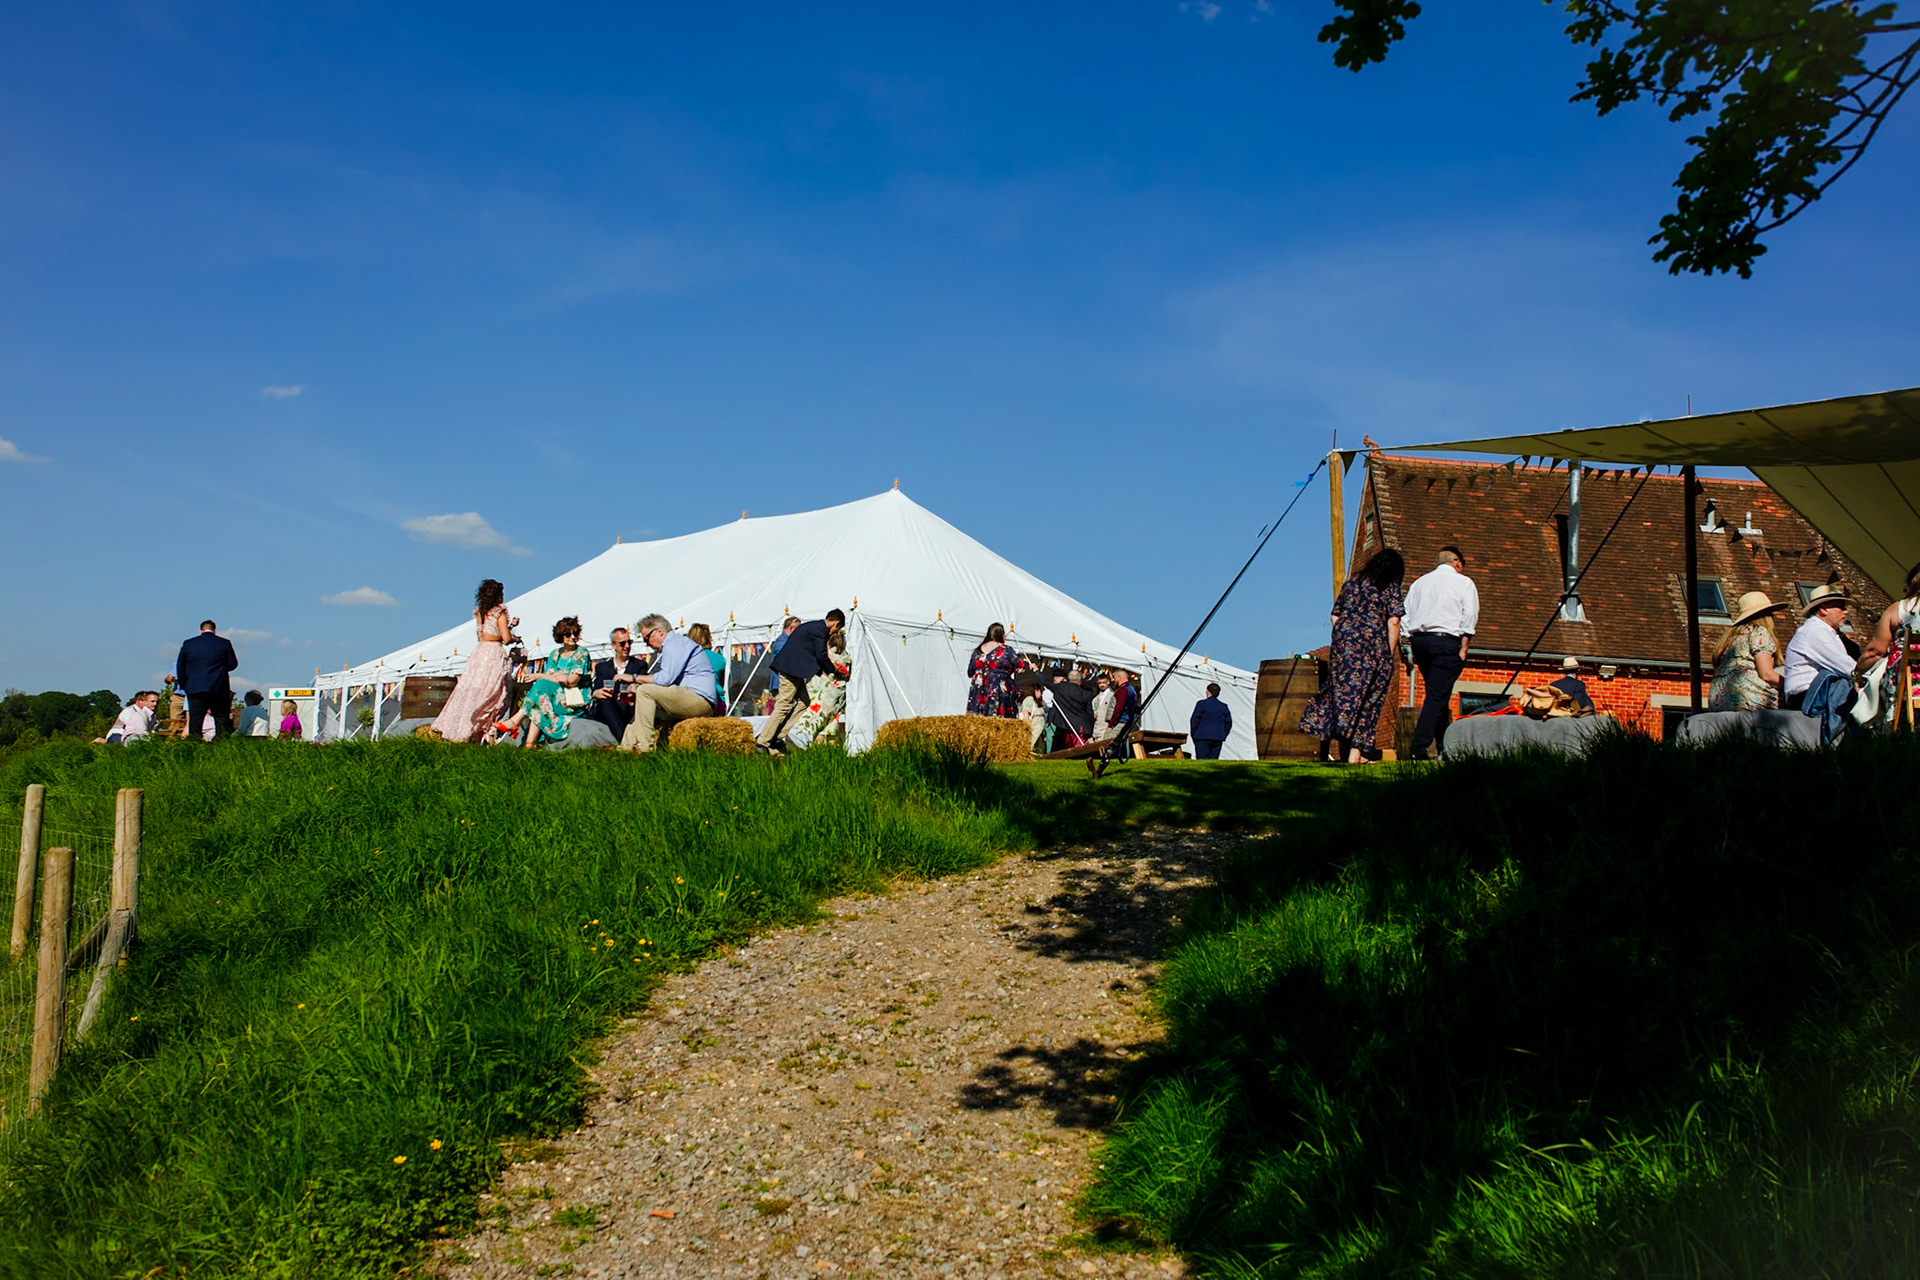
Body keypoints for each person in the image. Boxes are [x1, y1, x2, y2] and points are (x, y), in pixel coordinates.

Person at [1299, 549, 1406, 764]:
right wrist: (1389, 652)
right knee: (1369, 699)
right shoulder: (1390, 588)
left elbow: (1334, 616)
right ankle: (1356, 754)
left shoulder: (1352, 585)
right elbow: (1394, 621)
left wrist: (1347, 637)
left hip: (1343, 646)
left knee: (1342, 695)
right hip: (1373, 647)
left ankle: (1340, 743)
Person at [1401, 547, 1477, 760]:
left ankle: (1445, 746)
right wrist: (1464, 646)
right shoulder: (1464, 583)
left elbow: (1405, 614)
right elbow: (1470, 614)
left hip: (1420, 642)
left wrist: (1409, 637)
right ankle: (1419, 747)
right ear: (1456, 562)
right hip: (1446, 642)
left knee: (1438, 693)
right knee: (1436, 695)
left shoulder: (1419, 583)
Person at [432, 579, 517, 743]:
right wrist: (514, 636)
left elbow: (482, 634)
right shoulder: (500, 612)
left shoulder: (480, 612)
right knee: (494, 692)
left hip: (480, 651)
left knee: (473, 691)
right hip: (493, 653)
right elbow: (506, 638)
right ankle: (486, 730)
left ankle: (465, 729)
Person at [623, 614, 720, 752]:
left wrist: (634, 678)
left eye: (646, 639)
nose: (647, 644)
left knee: (644, 691)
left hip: (700, 700)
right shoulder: (675, 644)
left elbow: (665, 679)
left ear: (659, 632)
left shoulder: (674, 643)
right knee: (643, 708)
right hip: (693, 698)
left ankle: (645, 748)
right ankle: (625, 748)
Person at [496, 617, 593, 748]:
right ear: (561, 635)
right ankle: (530, 744)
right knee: (540, 696)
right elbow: (553, 679)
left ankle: (515, 721)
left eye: (575, 633)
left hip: (574, 699)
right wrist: (558, 677)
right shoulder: (555, 654)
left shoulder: (581, 653)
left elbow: (571, 682)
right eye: (568, 634)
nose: (572, 637)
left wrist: (542, 676)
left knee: (541, 686)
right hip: (556, 695)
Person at [758, 609, 846, 750]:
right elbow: (820, 655)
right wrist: (833, 670)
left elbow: (809, 653)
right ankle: (764, 740)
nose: (834, 632)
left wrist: (824, 670)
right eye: (837, 628)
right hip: (790, 670)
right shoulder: (820, 631)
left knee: (804, 702)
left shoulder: (813, 626)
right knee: (784, 705)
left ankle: (779, 735)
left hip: (795, 670)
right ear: (836, 623)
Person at [1851, 562, 1920, 728]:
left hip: (1906, 682)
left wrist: (1857, 674)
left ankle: (1890, 731)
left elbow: (1874, 651)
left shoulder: (1900, 609)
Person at [1707, 592, 1787, 712]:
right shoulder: (1759, 632)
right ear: (1766, 616)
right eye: (1771, 615)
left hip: (1719, 704)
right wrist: (1792, 685)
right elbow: (1767, 674)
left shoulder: (1729, 638)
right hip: (1749, 702)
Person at [1782, 585, 1855, 710]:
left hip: (1816, 694)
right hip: (1809, 698)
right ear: (1824, 609)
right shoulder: (1815, 631)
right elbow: (1846, 667)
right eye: (1841, 608)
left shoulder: (1825, 631)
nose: (1846, 612)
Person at [175, 620, 239, 739]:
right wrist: (220, 669)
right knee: (221, 717)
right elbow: (232, 664)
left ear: (201, 630)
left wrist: (184, 685)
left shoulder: (188, 644)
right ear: (215, 630)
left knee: (196, 718)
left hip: (195, 687)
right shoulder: (224, 643)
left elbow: (181, 666)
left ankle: (194, 742)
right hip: (218, 687)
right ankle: (221, 743)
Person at [588, 626, 650, 741]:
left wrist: (634, 688)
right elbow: (595, 689)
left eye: (629, 642)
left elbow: (644, 685)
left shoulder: (639, 665)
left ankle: (622, 740)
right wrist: (596, 693)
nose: (627, 646)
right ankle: (623, 739)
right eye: (622, 643)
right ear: (613, 645)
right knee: (604, 702)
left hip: (629, 707)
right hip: (609, 708)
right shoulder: (602, 668)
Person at [966, 623, 1024, 718]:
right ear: (1001, 634)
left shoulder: (977, 652)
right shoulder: (1006, 650)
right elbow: (1021, 666)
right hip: (997, 690)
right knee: (997, 721)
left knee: (977, 721)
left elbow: (970, 672)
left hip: (978, 692)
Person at [1045, 667, 1096, 750]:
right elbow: (1089, 713)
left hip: (1067, 724)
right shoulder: (1086, 694)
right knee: (1077, 747)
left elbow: (1046, 682)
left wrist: (1036, 670)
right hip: (1080, 726)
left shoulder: (1061, 688)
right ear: (1080, 680)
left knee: (1071, 746)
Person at [686, 624, 730, 713]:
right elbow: (721, 681)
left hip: (693, 701)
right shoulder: (719, 658)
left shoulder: (686, 658)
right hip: (717, 702)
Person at [1190, 682, 1232, 759]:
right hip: (1218, 737)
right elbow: (1228, 724)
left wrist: (1194, 734)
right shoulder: (1223, 706)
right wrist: (1223, 734)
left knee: (1202, 760)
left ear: (1208, 692)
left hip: (1202, 736)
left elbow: (1194, 720)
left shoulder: (1201, 704)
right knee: (1213, 761)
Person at [767, 616, 801, 701]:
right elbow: (785, 660)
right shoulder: (781, 642)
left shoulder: (790, 641)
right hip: (781, 683)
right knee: (783, 706)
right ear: (791, 628)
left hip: (789, 682)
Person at [1091, 672, 1116, 740]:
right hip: (1096, 729)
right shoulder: (1095, 699)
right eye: (1100, 683)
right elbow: (1095, 710)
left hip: (1106, 728)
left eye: (1104, 682)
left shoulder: (1113, 696)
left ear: (1108, 682)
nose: (1102, 685)